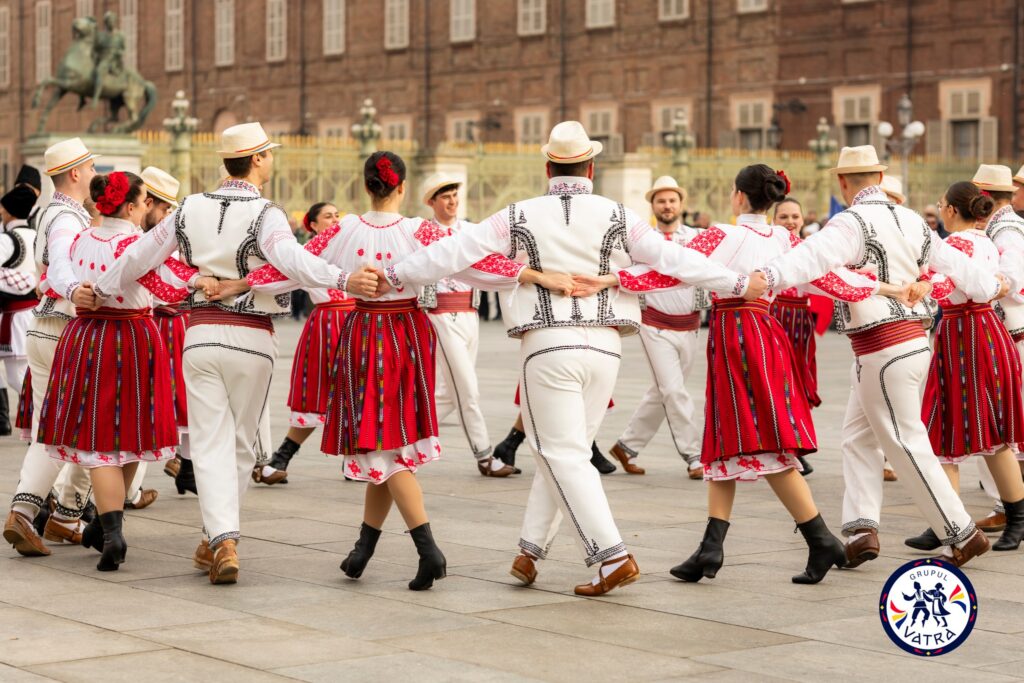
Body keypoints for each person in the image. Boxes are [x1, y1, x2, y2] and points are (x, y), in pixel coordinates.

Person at [379, 121, 766, 595]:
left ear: (547, 167)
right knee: (569, 452)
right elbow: (674, 260)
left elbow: (452, 252)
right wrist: (737, 282)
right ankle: (530, 550)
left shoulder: (518, 213)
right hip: (606, 345)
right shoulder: (618, 214)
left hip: (549, 342)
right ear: (592, 167)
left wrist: (393, 274)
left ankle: (612, 555)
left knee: (558, 451)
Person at [94, 122, 378, 584]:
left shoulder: (189, 208)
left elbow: (137, 257)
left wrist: (99, 288)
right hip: (252, 337)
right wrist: (343, 279)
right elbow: (293, 262)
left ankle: (219, 537)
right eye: (269, 154)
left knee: (207, 442)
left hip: (201, 334)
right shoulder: (266, 213)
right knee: (243, 443)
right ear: (259, 159)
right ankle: (222, 538)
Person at [244, 151, 541, 590]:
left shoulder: (341, 229)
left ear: (366, 186)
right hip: (408, 334)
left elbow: (289, 268)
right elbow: (477, 262)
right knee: (384, 442)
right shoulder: (422, 230)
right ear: (401, 187)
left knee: (381, 444)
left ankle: (428, 550)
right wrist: (534, 273)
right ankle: (364, 547)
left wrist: (237, 283)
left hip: (363, 331)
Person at [612, 165, 882, 585]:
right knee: (727, 436)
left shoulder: (721, 234)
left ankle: (818, 538)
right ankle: (712, 547)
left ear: (739, 196)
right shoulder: (787, 238)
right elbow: (833, 279)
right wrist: (889, 288)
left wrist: (611, 280)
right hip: (766, 333)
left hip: (736, 334)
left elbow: (670, 269)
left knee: (758, 440)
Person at [760, 145, 1006, 568]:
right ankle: (860, 528)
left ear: (843, 182)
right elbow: (957, 267)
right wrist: (989, 284)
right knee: (858, 434)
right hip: (910, 342)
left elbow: (809, 258)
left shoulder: (851, 221)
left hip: (881, 345)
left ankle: (961, 533)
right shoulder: (912, 221)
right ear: (878, 178)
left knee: (905, 440)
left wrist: (765, 276)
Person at [38, 171, 189, 571]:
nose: (145, 210)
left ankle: (102, 527)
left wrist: (75, 292)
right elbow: (173, 289)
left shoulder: (79, 238)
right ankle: (112, 533)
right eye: (142, 204)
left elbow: (54, 275)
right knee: (124, 434)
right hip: (134, 337)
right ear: (131, 206)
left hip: (86, 335)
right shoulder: (137, 245)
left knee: (101, 433)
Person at [901, 181, 1024, 554]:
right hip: (983, 330)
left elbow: (943, 281)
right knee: (990, 430)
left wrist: (921, 288)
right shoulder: (986, 240)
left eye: (941, 204)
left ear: (953, 210)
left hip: (965, 334)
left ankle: (952, 523)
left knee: (945, 426)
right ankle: (980, 521)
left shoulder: (954, 243)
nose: (939, 210)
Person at [3, 138, 100, 557]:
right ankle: (50, 513)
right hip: (63, 329)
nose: (95, 175)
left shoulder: (56, 212)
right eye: (91, 168)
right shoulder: (65, 218)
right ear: (75, 173)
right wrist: (74, 288)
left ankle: (40, 512)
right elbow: (61, 262)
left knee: (54, 425)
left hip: (46, 326)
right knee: (80, 425)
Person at [608, 176, 707, 478]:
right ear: (652, 206)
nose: (667, 206)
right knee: (675, 392)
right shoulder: (642, 241)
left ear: (681, 204)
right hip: (655, 327)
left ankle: (626, 446)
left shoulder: (698, 237)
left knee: (662, 392)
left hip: (690, 328)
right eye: (661, 201)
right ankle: (694, 457)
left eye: (672, 200)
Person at [418, 173, 513, 476]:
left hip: (470, 315)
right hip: (440, 315)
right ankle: (485, 456)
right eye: (444, 196)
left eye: (454, 195)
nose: (452, 201)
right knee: (468, 390)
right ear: (432, 202)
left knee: (449, 394)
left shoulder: (472, 230)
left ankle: (398, 441)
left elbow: (500, 257)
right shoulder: (420, 233)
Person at [259, 201, 352, 484]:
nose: (335, 220)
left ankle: (355, 460)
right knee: (317, 393)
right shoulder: (305, 253)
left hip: (355, 321)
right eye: (327, 217)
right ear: (312, 225)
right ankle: (281, 457)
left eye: (337, 215)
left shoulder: (352, 246)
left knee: (356, 393)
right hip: (327, 325)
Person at [118, 167, 185, 511]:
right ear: (148, 203)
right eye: (165, 209)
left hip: (120, 329)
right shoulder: (142, 242)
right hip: (136, 330)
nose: (165, 217)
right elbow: (165, 290)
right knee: (137, 410)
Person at [969, 164, 1024, 535]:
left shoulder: (1005, 229)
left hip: (1014, 330)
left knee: (1004, 419)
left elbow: (1013, 280)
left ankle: (1007, 503)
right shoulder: (1006, 226)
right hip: (1014, 330)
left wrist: (980, 284)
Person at [0, 186, 41, 437]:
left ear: (9, 212)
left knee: (19, 377)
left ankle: (41, 423)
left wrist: (24, 281)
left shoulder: (6, 239)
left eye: (3, 210)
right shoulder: (36, 235)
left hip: (15, 316)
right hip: (34, 312)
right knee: (28, 374)